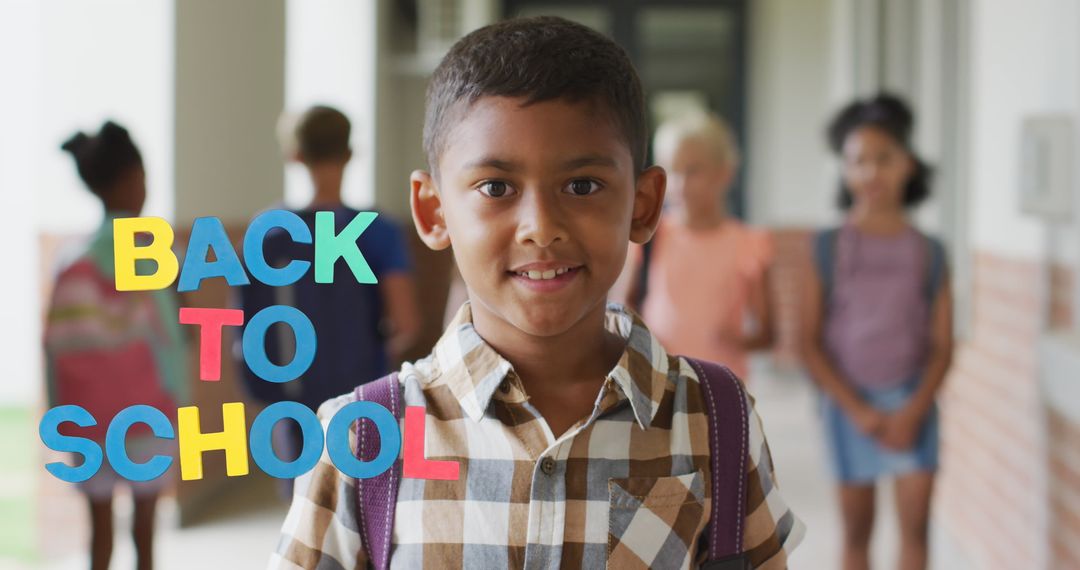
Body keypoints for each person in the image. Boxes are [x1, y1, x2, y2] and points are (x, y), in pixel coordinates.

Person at [271, 17, 802, 569]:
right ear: (433, 210)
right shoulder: (359, 439)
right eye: (496, 188)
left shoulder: (714, 420)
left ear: (643, 205)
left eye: (582, 186)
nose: (540, 227)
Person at [800, 94, 953, 570]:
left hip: (914, 405)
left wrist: (914, 410)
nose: (871, 172)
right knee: (856, 535)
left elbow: (943, 345)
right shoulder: (826, 248)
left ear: (907, 164)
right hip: (849, 409)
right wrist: (860, 411)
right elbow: (808, 342)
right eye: (858, 160)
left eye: (883, 158)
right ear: (844, 170)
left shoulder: (930, 251)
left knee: (914, 533)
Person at [237, 105, 420, 496]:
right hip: (361, 397)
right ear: (350, 153)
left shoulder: (267, 232)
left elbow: (247, 326)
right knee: (362, 506)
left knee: (303, 508)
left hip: (292, 398)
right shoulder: (376, 231)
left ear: (294, 156)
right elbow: (406, 323)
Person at [46, 121, 189, 570]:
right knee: (145, 528)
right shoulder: (155, 250)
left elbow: (53, 348)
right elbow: (180, 329)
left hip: (89, 418)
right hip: (149, 416)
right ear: (133, 179)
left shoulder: (73, 258)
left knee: (99, 530)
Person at [615, 111, 774, 381]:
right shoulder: (647, 235)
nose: (681, 184)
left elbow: (767, 333)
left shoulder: (749, 243)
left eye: (693, 171)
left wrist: (736, 340)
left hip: (720, 385)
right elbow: (621, 309)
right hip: (658, 380)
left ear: (725, 173)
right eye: (672, 171)